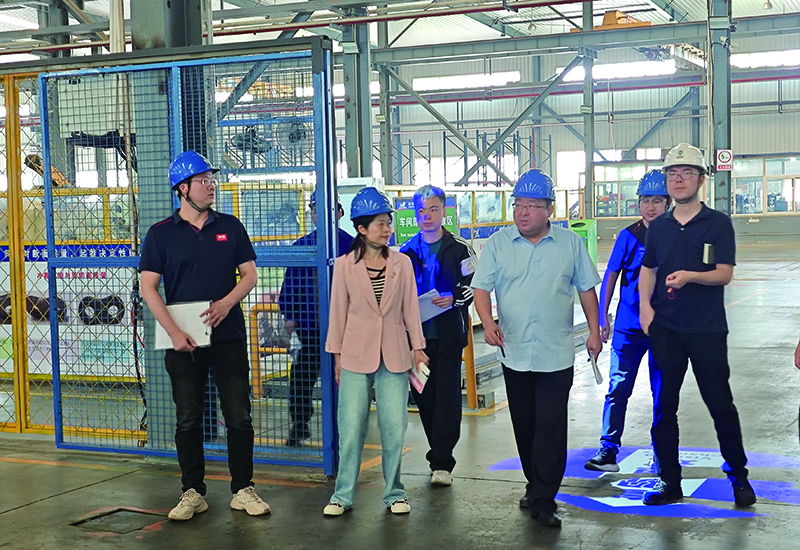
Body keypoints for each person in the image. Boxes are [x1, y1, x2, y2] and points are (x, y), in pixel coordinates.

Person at [139, 151, 271, 521]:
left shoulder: (231, 226)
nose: (211, 185)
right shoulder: (160, 235)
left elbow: (249, 275)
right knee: (188, 418)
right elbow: (149, 287)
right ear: (183, 189)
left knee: (239, 415)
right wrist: (174, 331)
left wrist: (227, 303)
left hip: (228, 336)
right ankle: (192, 491)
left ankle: (243, 488)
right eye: (203, 180)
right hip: (184, 341)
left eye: (212, 179)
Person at [471, 169, 602, 528]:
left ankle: (545, 499)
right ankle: (535, 484)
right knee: (525, 425)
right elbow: (481, 288)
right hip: (514, 353)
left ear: (549, 210)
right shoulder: (498, 244)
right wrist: (488, 321)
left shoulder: (569, 244)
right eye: (518, 205)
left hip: (555, 353)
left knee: (550, 427)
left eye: (531, 205)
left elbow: (586, 289)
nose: (523, 212)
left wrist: (594, 332)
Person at [638, 143, 756, 507]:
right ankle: (669, 481)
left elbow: (724, 273)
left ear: (701, 180)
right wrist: (645, 309)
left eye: (687, 173)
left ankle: (738, 477)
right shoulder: (659, 227)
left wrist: (691, 275)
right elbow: (648, 269)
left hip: (707, 329)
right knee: (663, 408)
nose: (679, 180)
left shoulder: (717, 224)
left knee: (720, 405)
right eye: (672, 174)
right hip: (666, 329)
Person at [323, 187, 428, 517]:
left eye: (389, 222)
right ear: (362, 228)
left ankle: (395, 492)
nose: (388, 229)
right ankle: (342, 495)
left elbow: (411, 309)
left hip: (395, 355)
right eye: (381, 223)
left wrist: (418, 348)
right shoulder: (345, 266)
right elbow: (337, 313)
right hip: (355, 356)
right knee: (351, 429)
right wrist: (337, 358)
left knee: (394, 428)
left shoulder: (402, 263)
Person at [585, 170, 670, 472]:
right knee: (618, 388)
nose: (650, 206)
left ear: (668, 203)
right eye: (645, 200)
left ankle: (662, 454)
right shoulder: (628, 236)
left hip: (664, 329)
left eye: (657, 200)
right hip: (628, 328)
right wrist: (601, 318)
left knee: (663, 394)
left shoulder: (676, 235)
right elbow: (611, 276)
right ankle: (608, 451)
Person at [400, 185, 477, 487]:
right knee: (425, 398)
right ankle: (438, 451)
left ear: (444, 211)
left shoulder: (459, 248)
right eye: (421, 211)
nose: (427, 216)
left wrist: (454, 297)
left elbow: (475, 286)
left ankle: (442, 462)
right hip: (417, 340)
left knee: (447, 399)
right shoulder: (406, 252)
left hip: (448, 337)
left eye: (433, 209)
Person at [279, 190, 354, 447]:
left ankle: (348, 426)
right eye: (314, 210)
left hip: (347, 328)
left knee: (348, 378)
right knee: (302, 376)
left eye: (326, 210)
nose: (318, 215)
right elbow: (290, 287)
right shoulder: (301, 247)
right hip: (311, 327)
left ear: (339, 213)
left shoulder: (352, 247)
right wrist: (290, 317)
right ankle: (300, 424)